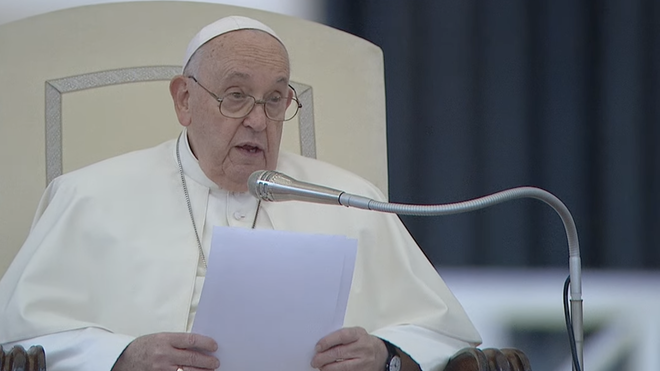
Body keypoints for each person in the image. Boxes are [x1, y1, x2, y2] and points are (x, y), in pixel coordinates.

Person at [0, 15, 481, 371]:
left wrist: (385, 353)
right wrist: (121, 357)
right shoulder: (88, 196)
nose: (258, 119)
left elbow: (440, 332)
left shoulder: (349, 199)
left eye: (275, 99)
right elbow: (20, 341)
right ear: (184, 101)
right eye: (235, 95)